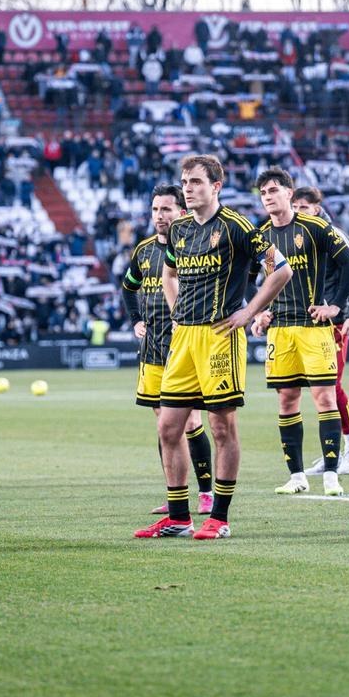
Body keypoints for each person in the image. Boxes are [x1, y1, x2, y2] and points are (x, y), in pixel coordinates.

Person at [135, 155, 293, 540]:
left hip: (221, 335)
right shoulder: (181, 229)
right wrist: (176, 311)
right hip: (184, 338)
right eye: (185, 182)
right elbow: (168, 273)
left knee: (222, 427)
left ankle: (218, 518)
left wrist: (250, 311)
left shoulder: (238, 227)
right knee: (169, 426)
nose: (188, 189)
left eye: (195, 182)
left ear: (216, 186)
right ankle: (178, 517)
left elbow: (282, 269)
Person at [249, 169, 349, 497]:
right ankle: (297, 476)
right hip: (281, 329)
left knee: (325, 397)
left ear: (288, 193)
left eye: (274, 190)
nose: (268, 197)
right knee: (287, 400)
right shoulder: (262, 236)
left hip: (315, 327)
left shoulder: (315, 227)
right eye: (263, 193)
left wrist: (336, 307)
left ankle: (331, 475)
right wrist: (258, 310)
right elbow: (250, 276)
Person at [120, 185, 214, 516]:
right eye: (156, 210)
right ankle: (175, 495)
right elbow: (128, 287)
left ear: (181, 212)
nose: (160, 216)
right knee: (165, 426)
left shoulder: (192, 245)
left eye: (167, 210)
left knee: (190, 421)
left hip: (186, 347)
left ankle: (206, 493)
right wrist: (135, 321)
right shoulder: (143, 251)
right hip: (152, 350)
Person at [291, 186, 349, 477]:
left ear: (317, 208)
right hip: (296, 324)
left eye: (304, 208)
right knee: (299, 393)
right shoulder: (283, 236)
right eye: (295, 207)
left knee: (330, 388)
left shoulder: (331, 234)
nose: (300, 213)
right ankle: (331, 452)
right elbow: (272, 274)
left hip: (330, 323)